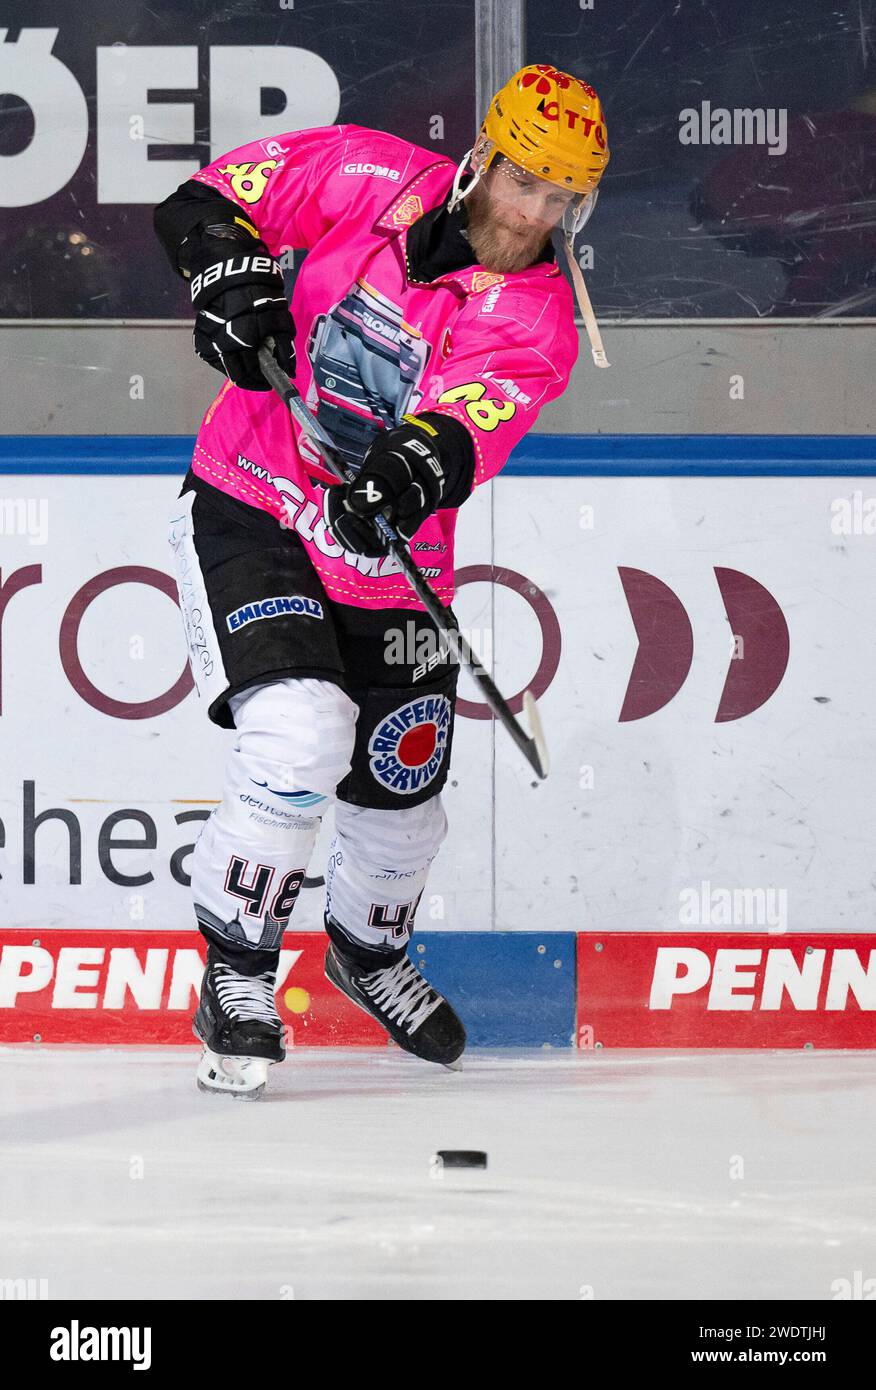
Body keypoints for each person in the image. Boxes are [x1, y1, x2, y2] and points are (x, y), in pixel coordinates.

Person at [154, 64, 609, 1098]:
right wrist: (228, 277)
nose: (534, 214)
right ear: (484, 159)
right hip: (253, 498)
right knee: (301, 730)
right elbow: (210, 200)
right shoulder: (368, 172)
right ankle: (238, 972)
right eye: (524, 182)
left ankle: (366, 950)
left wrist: (401, 479)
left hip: (389, 564)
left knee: (402, 798)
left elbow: (456, 433)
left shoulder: (537, 321)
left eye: (560, 198)